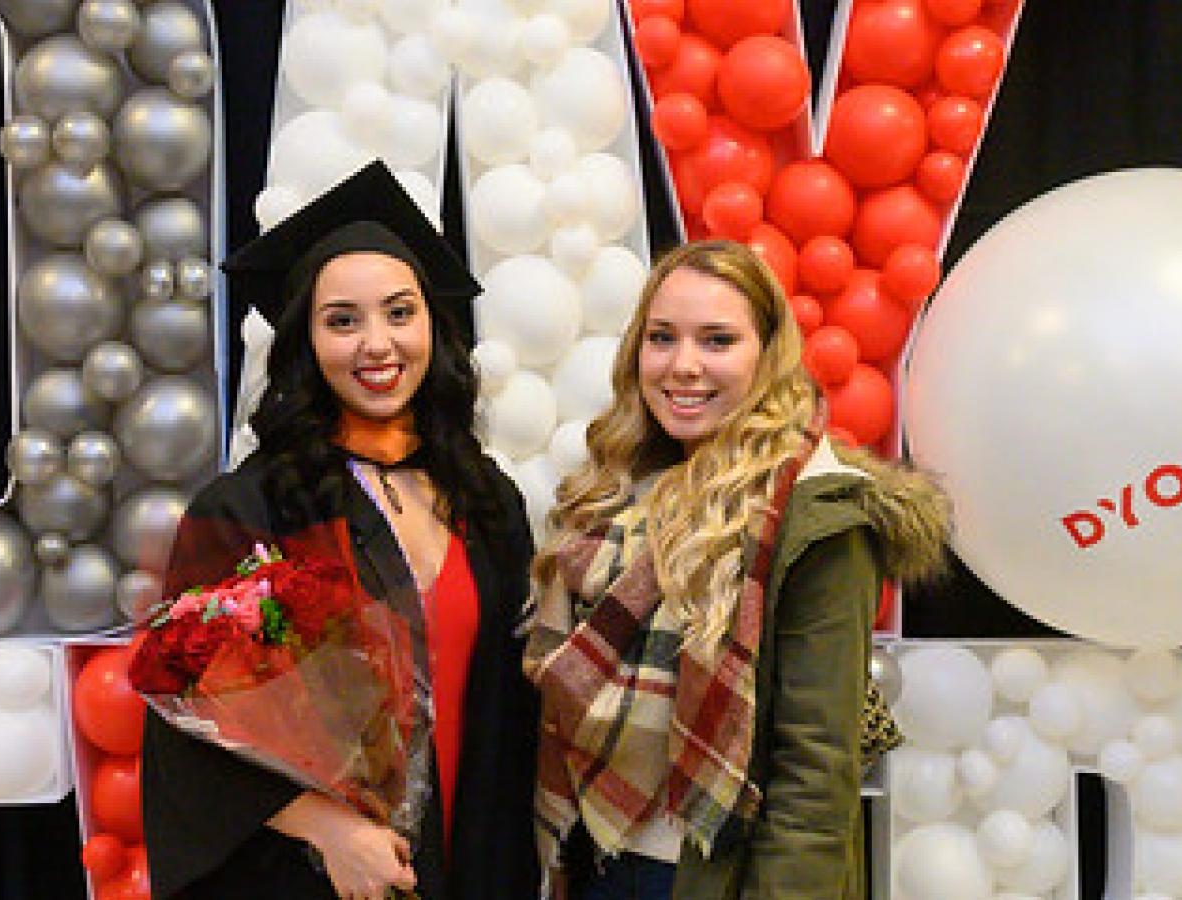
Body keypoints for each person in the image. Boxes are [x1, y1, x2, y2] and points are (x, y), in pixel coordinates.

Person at [141, 161, 539, 900]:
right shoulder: (248, 510)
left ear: (433, 324)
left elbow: (513, 706)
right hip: (315, 879)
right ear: (305, 342)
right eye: (342, 321)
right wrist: (330, 831)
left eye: (399, 312)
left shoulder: (489, 502)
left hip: (478, 862)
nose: (377, 345)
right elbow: (184, 729)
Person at [524, 240, 950, 900]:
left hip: (712, 879)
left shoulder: (818, 513)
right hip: (596, 861)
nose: (683, 365)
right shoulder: (613, 494)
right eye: (662, 337)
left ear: (768, 355)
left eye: (718, 340)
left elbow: (813, 776)